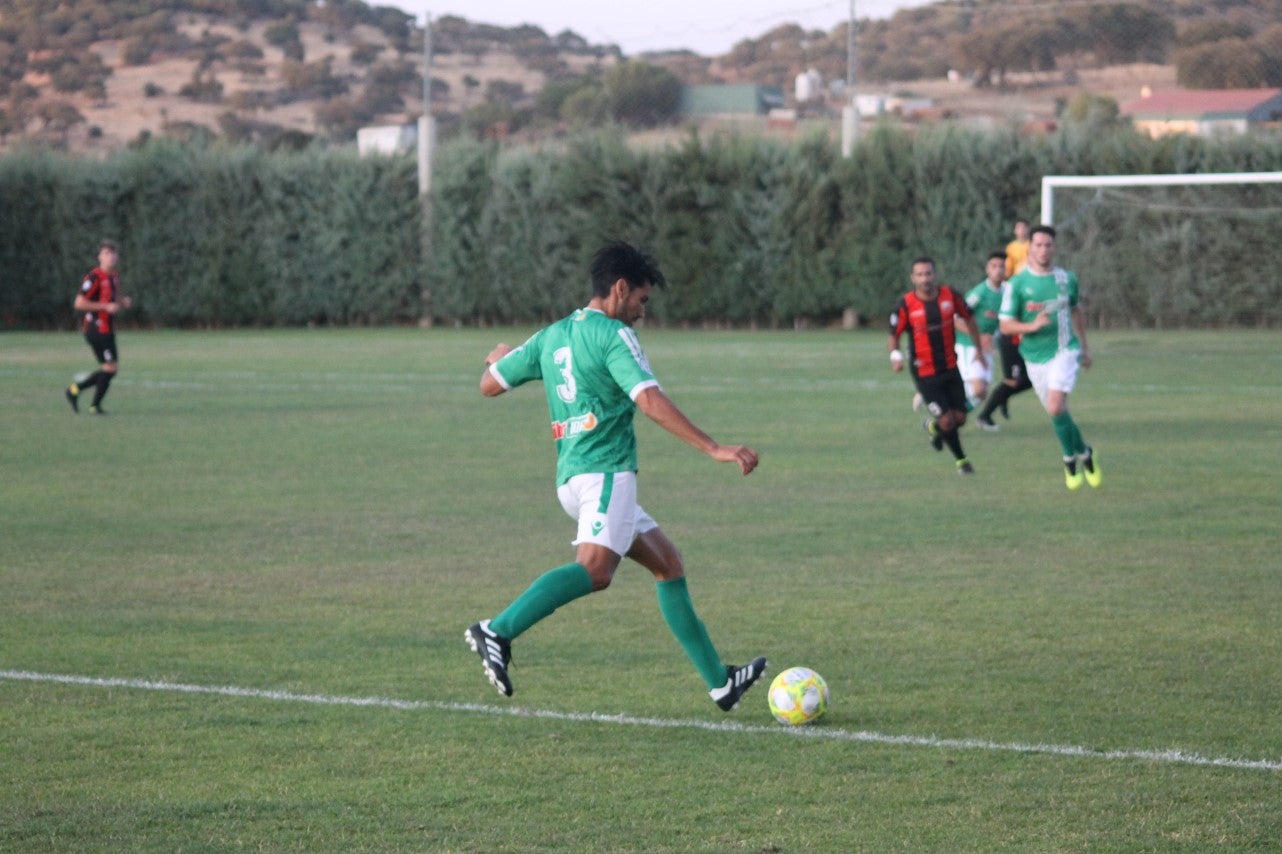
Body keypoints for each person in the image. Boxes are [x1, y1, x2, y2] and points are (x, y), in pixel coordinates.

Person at [465, 241, 767, 712]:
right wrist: (714, 447)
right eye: (642, 301)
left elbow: (489, 385)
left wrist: (499, 358)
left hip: (571, 479)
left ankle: (720, 683)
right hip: (606, 474)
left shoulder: (552, 335)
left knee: (668, 563)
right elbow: (648, 400)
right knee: (596, 571)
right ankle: (496, 630)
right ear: (620, 289)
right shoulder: (613, 335)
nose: (642, 313)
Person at [999, 225, 1102, 490]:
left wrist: (1085, 347)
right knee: (1058, 413)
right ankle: (1085, 453)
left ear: (1054, 248)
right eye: (1039, 245)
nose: (1044, 250)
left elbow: (1077, 310)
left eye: (1048, 245)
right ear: (1029, 248)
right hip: (1034, 357)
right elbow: (1006, 325)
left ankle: (1069, 459)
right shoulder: (1018, 284)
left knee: (1056, 407)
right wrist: (1031, 327)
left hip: (1064, 350)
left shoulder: (1066, 278)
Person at [888, 256, 985, 475]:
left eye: (928, 273)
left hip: (951, 366)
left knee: (960, 418)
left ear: (935, 274)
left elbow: (969, 318)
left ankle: (934, 429)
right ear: (913, 278)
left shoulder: (950, 295)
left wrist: (979, 348)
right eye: (920, 274)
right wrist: (895, 355)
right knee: (948, 420)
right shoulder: (905, 304)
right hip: (925, 372)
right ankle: (963, 462)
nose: (925, 278)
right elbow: (893, 335)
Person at [65, 240, 131, 415]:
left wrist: (121, 301)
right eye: (106, 253)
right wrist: (104, 307)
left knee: (109, 368)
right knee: (110, 368)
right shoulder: (94, 277)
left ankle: (85, 399)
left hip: (108, 328)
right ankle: (81, 396)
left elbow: (114, 297)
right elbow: (79, 303)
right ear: (100, 256)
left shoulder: (114, 276)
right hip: (96, 328)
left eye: (113, 253)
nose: (111, 257)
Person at [956, 251, 1005, 416]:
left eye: (1001, 266)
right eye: (994, 266)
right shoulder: (979, 293)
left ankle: (951, 417)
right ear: (987, 270)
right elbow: (955, 319)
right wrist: (979, 337)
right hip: (968, 344)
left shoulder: (1007, 292)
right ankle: (944, 407)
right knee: (978, 389)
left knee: (981, 394)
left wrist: (993, 338)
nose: (998, 270)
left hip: (987, 348)